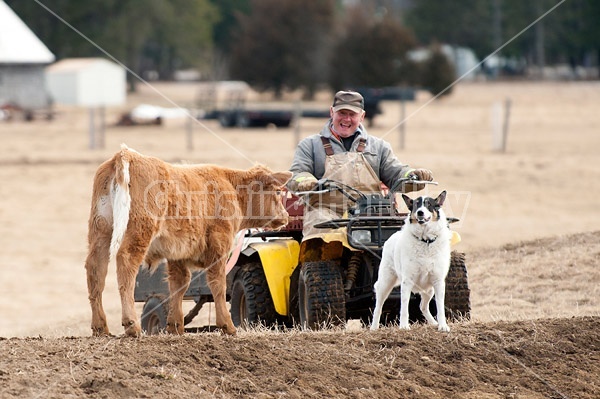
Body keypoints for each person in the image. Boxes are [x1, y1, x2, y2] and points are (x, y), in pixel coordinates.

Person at [288, 90, 434, 239]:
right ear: (332, 112)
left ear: (362, 116)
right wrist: (305, 182)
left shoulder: (379, 146)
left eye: (352, 114)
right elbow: (297, 174)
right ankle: (318, 263)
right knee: (320, 232)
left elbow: (396, 173)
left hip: (372, 211)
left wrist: (412, 176)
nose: (347, 119)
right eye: (342, 113)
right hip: (326, 211)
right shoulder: (310, 145)